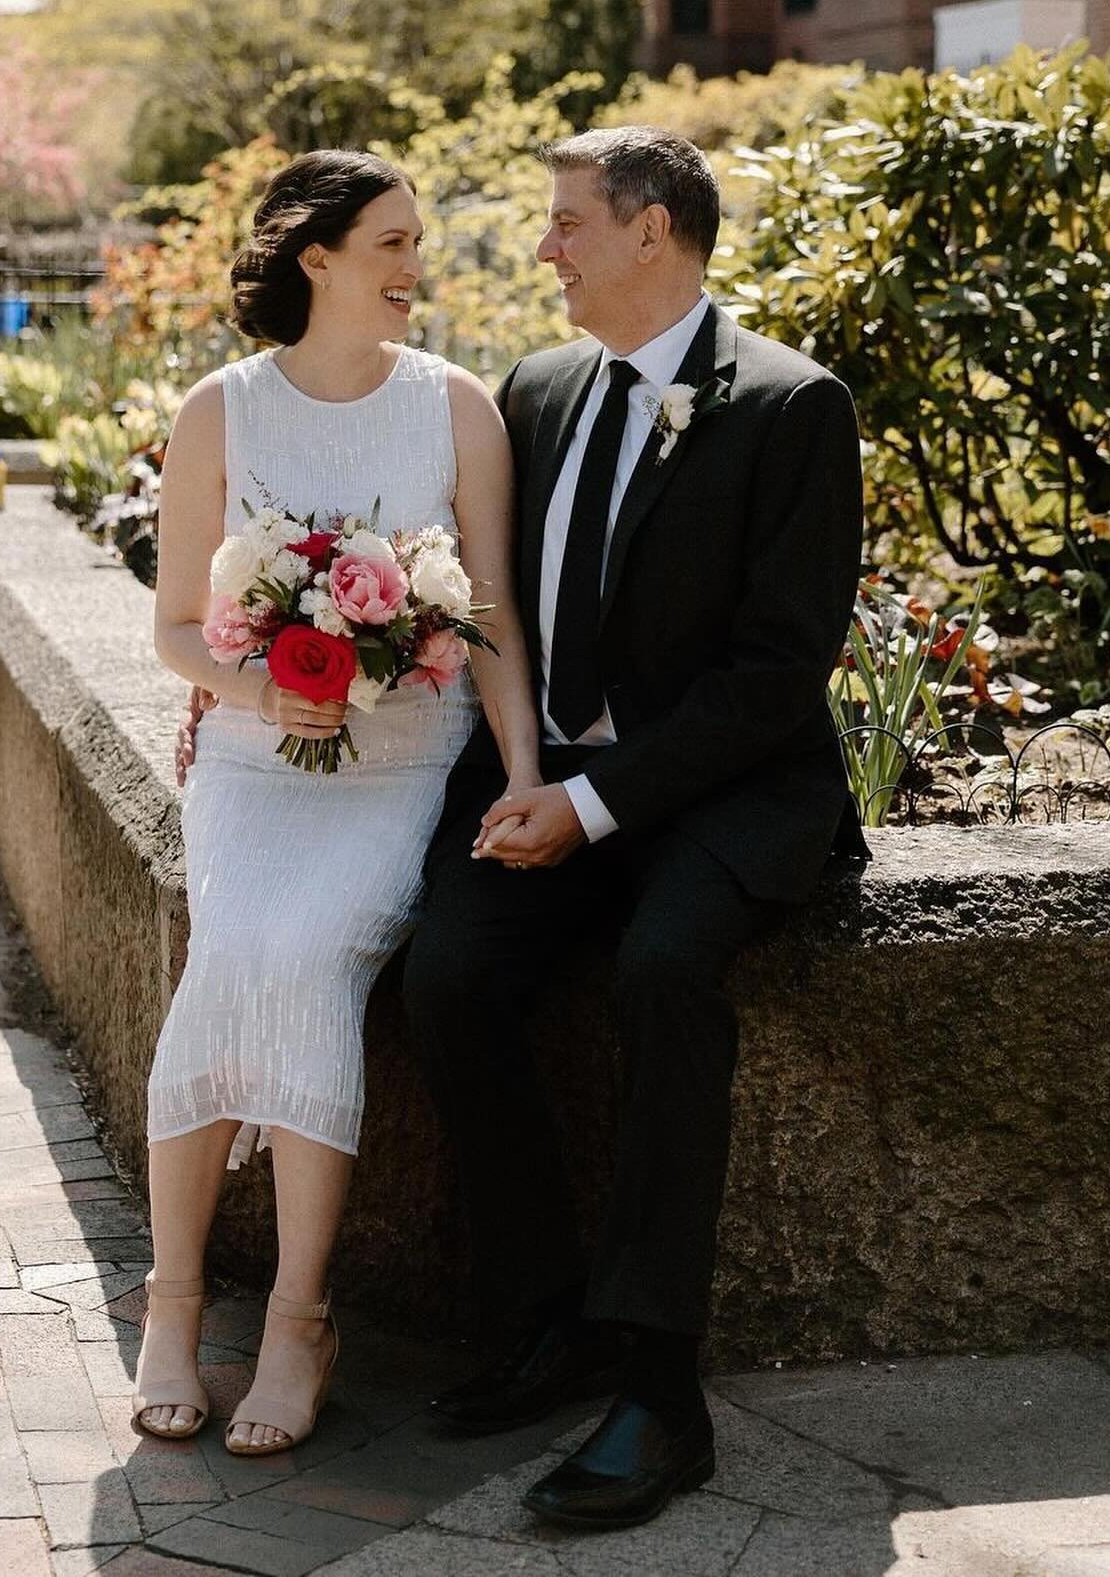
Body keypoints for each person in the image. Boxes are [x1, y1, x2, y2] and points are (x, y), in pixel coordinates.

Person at [176, 125, 869, 1526]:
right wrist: (257, 690)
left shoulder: (794, 406)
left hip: (729, 796)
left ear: (652, 232)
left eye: (565, 224)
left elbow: (777, 677)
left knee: (666, 970)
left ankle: (661, 1386)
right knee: (452, 970)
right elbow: (474, 600)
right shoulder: (537, 392)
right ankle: (549, 1311)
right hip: (550, 782)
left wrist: (592, 804)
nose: (541, 248)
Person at [139, 149, 542, 1455]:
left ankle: (301, 1321)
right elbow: (176, 632)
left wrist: (526, 775)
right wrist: (264, 698)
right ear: (317, 257)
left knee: (307, 959)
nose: (418, 265)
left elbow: (488, 617)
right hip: (258, 759)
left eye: (417, 239)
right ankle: (174, 1301)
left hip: (398, 765)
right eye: (392, 242)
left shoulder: (457, 409)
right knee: (228, 960)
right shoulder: (220, 411)